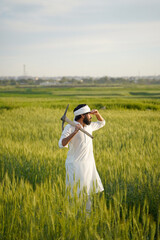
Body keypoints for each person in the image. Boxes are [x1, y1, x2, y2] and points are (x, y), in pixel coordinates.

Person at [58, 104, 105, 209]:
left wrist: (97, 113)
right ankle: (72, 215)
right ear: (83, 115)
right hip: (75, 166)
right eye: (89, 114)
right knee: (75, 193)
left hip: (88, 166)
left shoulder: (89, 126)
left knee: (87, 192)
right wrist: (75, 132)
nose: (91, 116)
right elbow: (61, 144)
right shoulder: (69, 127)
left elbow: (102, 123)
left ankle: (86, 218)